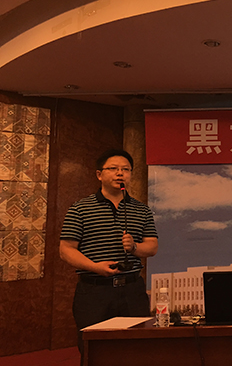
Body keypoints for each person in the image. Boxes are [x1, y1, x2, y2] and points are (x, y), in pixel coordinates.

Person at [59, 149, 158, 357]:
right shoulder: (80, 209)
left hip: (132, 290)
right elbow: (66, 250)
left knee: (137, 349)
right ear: (99, 174)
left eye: (126, 169)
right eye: (113, 168)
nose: (120, 173)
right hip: (94, 291)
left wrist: (134, 247)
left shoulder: (142, 210)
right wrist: (95, 267)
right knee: (95, 351)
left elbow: (152, 247)